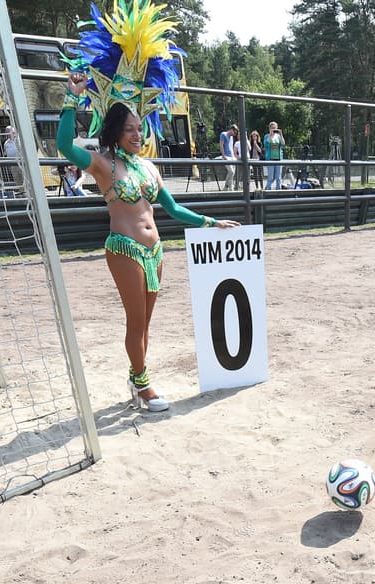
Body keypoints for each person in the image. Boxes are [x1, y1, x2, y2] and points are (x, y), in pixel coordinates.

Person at [59, 71, 239, 413]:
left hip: (155, 252)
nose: (137, 135)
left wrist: (210, 222)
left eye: (140, 128)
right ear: (114, 132)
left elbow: (171, 208)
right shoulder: (102, 164)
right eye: (129, 130)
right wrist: (72, 99)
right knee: (136, 321)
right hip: (124, 248)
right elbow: (65, 145)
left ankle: (135, 377)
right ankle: (143, 387)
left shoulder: (148, 167)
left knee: (146, 324)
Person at [263, 122, 285, 190]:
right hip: (270, 158)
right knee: (271, 177)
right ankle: (268, 189)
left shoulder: (278, 136)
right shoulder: (267, 136)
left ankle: (278, 190)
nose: (274, 129)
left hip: (278, 159)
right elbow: (266, 144)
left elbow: (283, 144)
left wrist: (281, 135)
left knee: (278, 177)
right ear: (269, 128)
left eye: (275, 128)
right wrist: (271, 135)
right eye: (272, 128)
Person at [219, 124, 238, 191]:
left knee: (232, 173)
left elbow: (231, 147)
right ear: (231, 129)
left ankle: (226, 187)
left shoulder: (231, 137)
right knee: (231, 172)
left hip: (232, 156)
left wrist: (234, 157)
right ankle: (230, 186)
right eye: (234, 132)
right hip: (226, 156)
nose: (234, 134)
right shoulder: (223, 134)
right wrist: (223, 156)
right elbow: (221, 145)